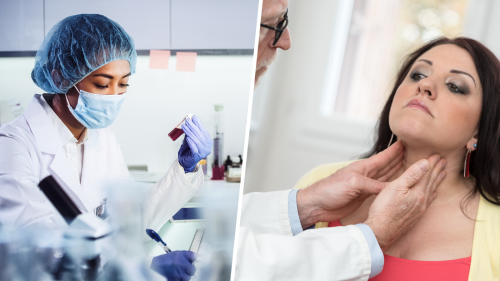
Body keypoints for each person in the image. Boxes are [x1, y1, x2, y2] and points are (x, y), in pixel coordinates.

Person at [235, 1, 447, 280]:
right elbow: (243, 263)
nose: (286, 42)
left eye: (456, 86)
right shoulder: (318, 176)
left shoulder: (325, 186)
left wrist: (307, 204)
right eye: (417, 74)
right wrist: (375, 235)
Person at [0, 14, 211, 281]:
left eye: (123, 84)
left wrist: (185, 167)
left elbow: (132, 221)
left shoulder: (103, 139)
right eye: (102, 84)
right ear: (60, 77)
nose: (114, 96)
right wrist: (145, 265)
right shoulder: (12, 145)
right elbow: (42, 247)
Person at [293, 37, 500, 280]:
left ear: (479, 130)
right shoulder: (319, 182)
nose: (425, 86)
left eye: (454, 86)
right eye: (418, 74)